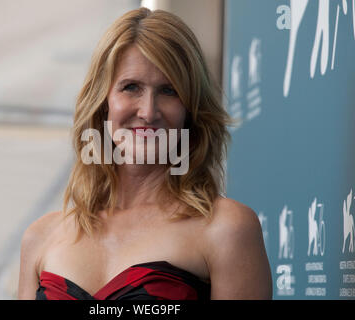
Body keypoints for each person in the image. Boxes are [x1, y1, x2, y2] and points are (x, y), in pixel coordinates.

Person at [18, 7, 272, 300]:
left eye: (169, 91)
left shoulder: (227, 228)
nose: (148, 112)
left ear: (190, 111)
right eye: (131, 87)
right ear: (103, 104)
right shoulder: (41, 237)